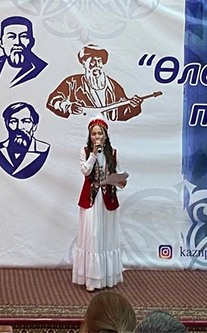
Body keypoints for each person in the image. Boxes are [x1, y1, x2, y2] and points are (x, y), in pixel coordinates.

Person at [72, 118, 126, 292]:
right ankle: (91, 278)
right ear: (90, 136)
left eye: (100, 133)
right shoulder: (85, 151)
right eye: (94, 134)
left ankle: (106, 277)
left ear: (105, 135)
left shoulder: (114, 153)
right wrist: (94, 155)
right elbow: (85, 171)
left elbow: (121, 177)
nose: (97, 137)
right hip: (91, 199)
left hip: (107, 199)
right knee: (92, 235)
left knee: (107, 236)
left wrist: (119, 181)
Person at [46, 44, 143, 121]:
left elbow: (123, 113)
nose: (97, 65)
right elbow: (53, 101)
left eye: (99, 61)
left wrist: (133, 106)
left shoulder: (113, 86)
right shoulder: (72, 83)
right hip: (81, 135)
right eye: (92, 61)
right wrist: (68, 107)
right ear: (84, 63)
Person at [0, 102, 50, 179]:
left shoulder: (44, 149)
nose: (19, 127)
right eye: (13, 121)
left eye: (26, 121)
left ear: (34, 126)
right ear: (6, 125)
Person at [0, 16, 48, 88]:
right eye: (11, 37)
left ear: (32, 42)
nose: (17, 42)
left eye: (23, 36)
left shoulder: (42, 68)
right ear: (1, 43)